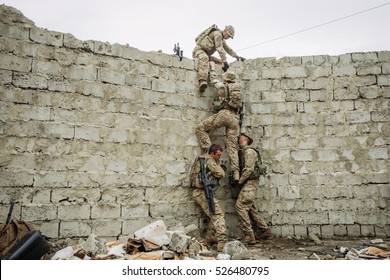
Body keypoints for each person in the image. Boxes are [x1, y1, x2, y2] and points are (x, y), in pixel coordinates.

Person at [195, 64, 242, 182]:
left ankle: (207, 151)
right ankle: (236, 172)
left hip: (224, 114)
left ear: (226, 79)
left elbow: (213, 80)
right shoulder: (238, 89)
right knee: (232, 147)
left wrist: (212, 69)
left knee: (201, 128)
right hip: (235, 118)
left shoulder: (223, 86)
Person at [235, 132, 272, 244]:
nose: (239, 138)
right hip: (249, 182)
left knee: (240, 206)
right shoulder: (244, 151)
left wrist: (239, 181)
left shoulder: (249, 151)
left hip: (250, 182)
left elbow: (248, 169)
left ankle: (249, 235)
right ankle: (265, 231)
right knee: (250, 208)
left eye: (241, 136)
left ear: (246, 139)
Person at [190, 144, 228, 251]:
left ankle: (209, 237)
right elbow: (221, 174)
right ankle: (222, 241)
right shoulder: (210, 160)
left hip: (199, 191)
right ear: (212, 153)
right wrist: (218, 165)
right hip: (203, 192)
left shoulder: (201, 159)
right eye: (218, 155)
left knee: (214, 214)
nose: (219, 157)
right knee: (218, 214)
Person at [192, 24, 241, 93]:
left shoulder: (222, 39)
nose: (228, 37)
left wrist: (236, 56)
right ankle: (202, 81)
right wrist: (224, 60)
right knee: (205, 58)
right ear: (225, 31)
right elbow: (219, 48)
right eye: (228, 35)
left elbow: (227, 48)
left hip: (207, 54)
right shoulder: (217, 34)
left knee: (219, 62)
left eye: (230, 36)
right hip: (198, 51)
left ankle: (221, 80)